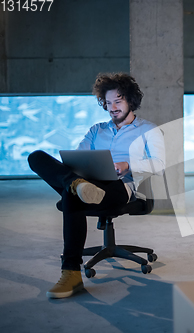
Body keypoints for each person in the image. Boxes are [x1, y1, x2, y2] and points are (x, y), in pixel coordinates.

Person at [28, 73, 165, 299]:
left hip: (121, 186)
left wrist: (128, 164)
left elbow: (159, 164)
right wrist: (77, 172)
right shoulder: (96, 129)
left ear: (130, 101)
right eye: (108, 102)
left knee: (71, 194)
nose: (112, 107)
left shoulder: (148, 129)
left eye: (118, 101)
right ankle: (77, 184)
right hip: (89, 180)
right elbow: (75, 159)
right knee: (36, 157)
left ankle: (71, 273)